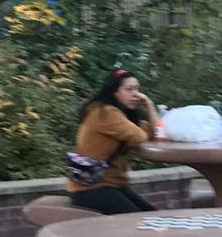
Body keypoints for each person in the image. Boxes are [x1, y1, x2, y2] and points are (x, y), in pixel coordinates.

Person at [67, 67, 161, 214]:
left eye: (137, 89)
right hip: (91, 189)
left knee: (152, 215)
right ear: (114, 91)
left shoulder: (119, 113)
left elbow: (158, 133)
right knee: (139, 221)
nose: (136, 94)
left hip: (110, 184)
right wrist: (142, 129)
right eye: (129, 89)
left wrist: (149, 105)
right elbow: (139, 137)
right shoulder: (105, 112)